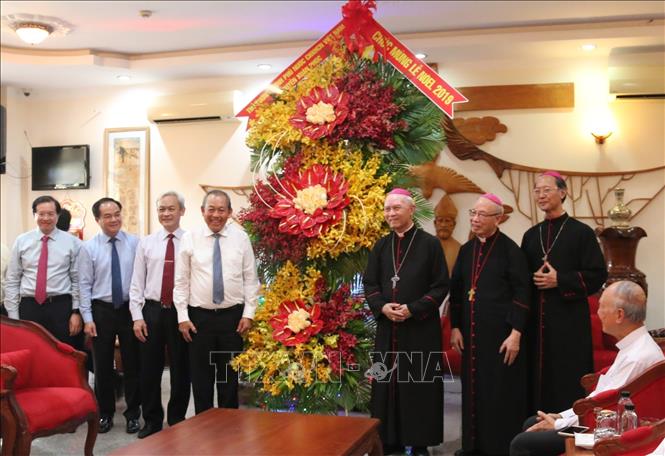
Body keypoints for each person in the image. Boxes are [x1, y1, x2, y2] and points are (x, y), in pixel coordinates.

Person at [510, 280, 664, 455]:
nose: (598, 313)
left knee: (522, 443)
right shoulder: (634, 347)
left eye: (602, 307)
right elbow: (600, 395)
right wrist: (561, 417)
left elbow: (606, 404)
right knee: (532, 423)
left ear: (619, 315)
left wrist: (558, 424)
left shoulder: (638, 356)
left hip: (609, 430)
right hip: (600, 419)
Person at [363, 188, 449, 456]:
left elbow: (440, 286)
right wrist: (382, 307)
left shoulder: (430, 244)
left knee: (419, 385)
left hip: (420, 329)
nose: (390, 213)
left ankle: (419, 443)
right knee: (386, 384)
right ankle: (389, 440)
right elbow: (370, 283)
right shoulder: (381, 246)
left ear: (411, 210)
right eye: (387, 209)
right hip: (388, 329)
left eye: (396, 208)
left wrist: (413, 309)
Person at [449, 194, 531, 455]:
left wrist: (516, 333)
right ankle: (472, 447)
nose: (475, 219)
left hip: (501, 338)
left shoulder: (511, 251)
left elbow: (523, 294)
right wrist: (455, 327)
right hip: (471, 337)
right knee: (472, 392)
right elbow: (457, 290)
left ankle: (498, 449)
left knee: (498, 395)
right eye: (473, 213)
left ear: (498, 219)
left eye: (482, 214)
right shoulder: (466, 250)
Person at [521, 171, 607, 412]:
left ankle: (569, 427)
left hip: (569, 322)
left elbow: (597, 274)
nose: (541, 195)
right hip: (536, 324)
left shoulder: (581, 233)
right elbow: (521, 278)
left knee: (567, 378)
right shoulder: (531, 235)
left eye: (546, 190)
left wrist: (560, 280)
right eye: (537, 191)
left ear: (562, 192)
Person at [174, 190, 260, 414]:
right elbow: (181, 282)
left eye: (221, 210)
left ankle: (228, 426)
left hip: (232, 319)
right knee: (201, 379)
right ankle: (203, 426)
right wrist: (182, 317)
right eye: (211, 209)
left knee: (228, 379)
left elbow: (251, 279)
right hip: (198, 319)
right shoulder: (190, 238)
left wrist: (248, 314)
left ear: (230, 212)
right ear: (202, 211)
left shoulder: (241, 238)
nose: (216, 215)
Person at [129, 191, 191, 439]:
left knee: (181, 369)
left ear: (182, 211)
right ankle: (152, 420)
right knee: (149, 369)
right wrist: (137, 316)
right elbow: (137, 283)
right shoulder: (146, 243)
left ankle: (177, 419)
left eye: (171, 209)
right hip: (152, 311)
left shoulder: (191, 241)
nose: (166, 213)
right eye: (161, 209)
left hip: (181, 312)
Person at [78, 197, 141, 435]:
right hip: (101, 310)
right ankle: (104, 413)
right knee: (102, 366)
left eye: (117, 214)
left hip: (129, 309)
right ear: (97, 220)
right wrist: (87, 318)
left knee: (133, 363)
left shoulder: (135, 243)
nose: (114, 219)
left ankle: (133, 414)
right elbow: (84, 285)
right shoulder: (89, 248)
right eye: (107, 216)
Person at [4, 195, 82, 344]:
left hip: (61, 307)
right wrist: (14, 316)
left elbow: (77, 280)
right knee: (30, 350)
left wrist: (76, 311)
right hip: (29, 307)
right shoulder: (22, 241)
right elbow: (12, 280)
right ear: (34, 215)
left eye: (50, 214)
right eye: (41, 214)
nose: (46, 218)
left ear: (58, 215)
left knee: (63, 351)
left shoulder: (73, 243)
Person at [434, 194, 461, 277]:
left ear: (454, 224)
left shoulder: (460, 249)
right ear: (435, 223)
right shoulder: (426, 245)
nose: (443, 225)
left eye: (447, 221)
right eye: (440, 220)